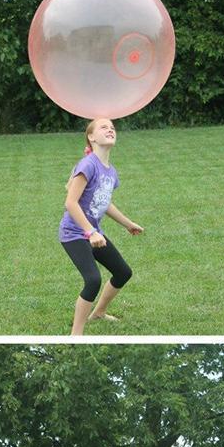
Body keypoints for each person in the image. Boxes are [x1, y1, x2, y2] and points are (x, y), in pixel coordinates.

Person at [59, 118, 143, 335]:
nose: (110, 129)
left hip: (93, 233)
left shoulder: (110, 171)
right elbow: (70, 202)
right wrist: (91, 231)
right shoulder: (88, 164)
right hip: (74, 233)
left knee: (123, 272)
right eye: (104, 127)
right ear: (91, 137)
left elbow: (104, 202)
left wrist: (128, 223)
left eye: (112, 127)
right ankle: (76, 335)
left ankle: (99, 312)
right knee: (93, 280)